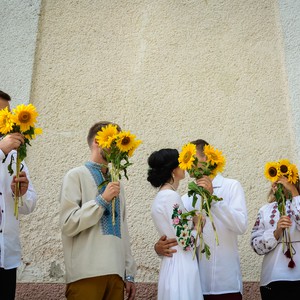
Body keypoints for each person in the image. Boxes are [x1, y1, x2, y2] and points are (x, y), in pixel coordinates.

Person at [155, 139, 247, 300]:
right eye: (186, 160)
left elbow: (241, 226)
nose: (187, 165)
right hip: (195, 285)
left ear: (208, 159)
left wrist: (212, 199)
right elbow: (180, 235)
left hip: (226, 284)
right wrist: (159, 248)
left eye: (192, 159)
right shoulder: (185, 198)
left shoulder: (231, 186)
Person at [59, 121, 137, 300]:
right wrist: (102, 201)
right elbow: (68, 224)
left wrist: (129, 272)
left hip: (116, 275)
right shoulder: (75, 175)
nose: (118, 148)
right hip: (86, 274)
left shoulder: (117, 184)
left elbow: (123, 229)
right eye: (113, 142)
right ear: (97, 141)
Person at [148, 148, 203, 300]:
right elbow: (185, 242)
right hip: (181, 266)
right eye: (180, 163)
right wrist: (198, 226)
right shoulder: (171, 197)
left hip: (171, 263)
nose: (184, 166)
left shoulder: (161, 197)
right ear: (173, 170)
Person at [0, 90, 37, 300]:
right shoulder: (4, 150)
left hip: (6, 255)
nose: (6, 119)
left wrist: (21, 194)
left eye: (7, 114)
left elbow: (29, 205)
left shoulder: (16, 157)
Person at [251, 176, 300, 299]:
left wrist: (294, 192)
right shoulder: (265, 210)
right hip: (273, 278)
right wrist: (276, 233)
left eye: (286, 179)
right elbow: (256, 245)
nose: (282, 183)